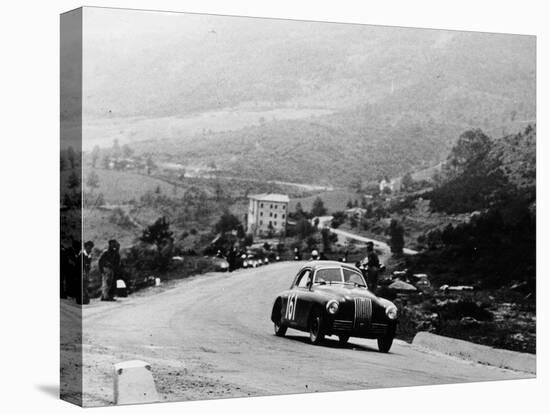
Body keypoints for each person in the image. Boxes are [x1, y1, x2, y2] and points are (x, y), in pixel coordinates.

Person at [76, 241, 94, 305]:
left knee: (85, 285)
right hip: (81, 272)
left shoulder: (88, 254)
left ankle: (85, 299)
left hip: (85, 272)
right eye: (88, 247)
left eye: (90, 247)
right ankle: (81, 299)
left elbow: (88, 264)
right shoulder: (82, 254)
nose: (89, 249)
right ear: (85, 247)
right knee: (82, 285)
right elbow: (79, 265)